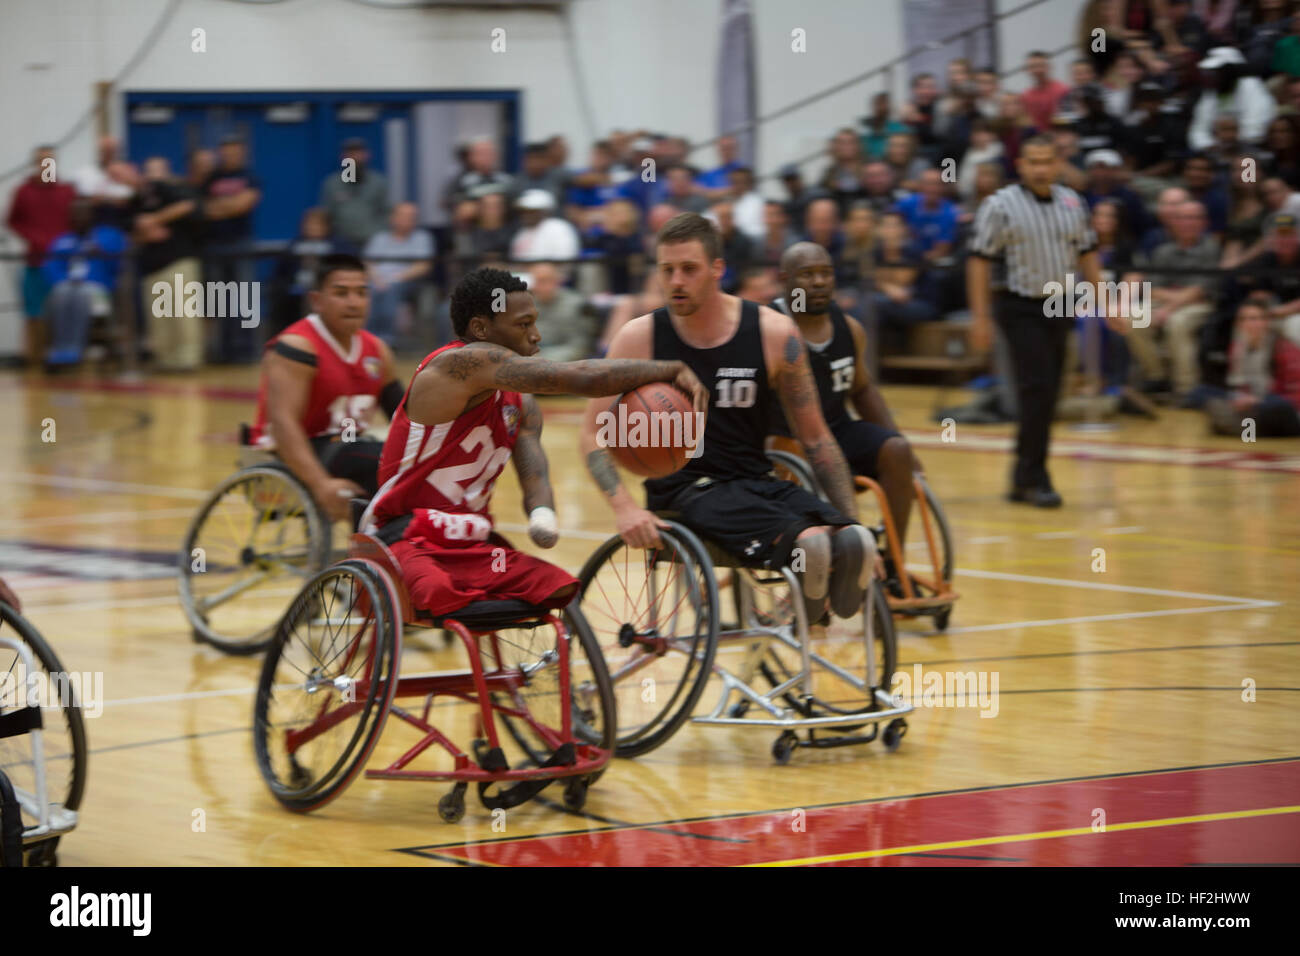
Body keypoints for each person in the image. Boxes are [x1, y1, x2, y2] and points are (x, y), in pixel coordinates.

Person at [581, 212, 880, 626]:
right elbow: (592, 435)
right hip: (684, 492)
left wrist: (849, 516)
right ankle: (801, 621)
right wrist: (625, 507)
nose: (676, 281)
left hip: (755, 481)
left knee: (855, 540)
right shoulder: (639, 337)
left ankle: (808, 614)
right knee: (812, 544)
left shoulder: (775, 334)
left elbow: (817, 439)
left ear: (717, 269)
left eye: (689, 269)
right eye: (666, 270)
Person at [359, 266, 707, 618]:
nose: (537, 336)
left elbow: (534, 473)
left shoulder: (521, 405)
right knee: (437, 592)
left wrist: (543, 515)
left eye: (535, 322)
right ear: (481, 329)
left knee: (558, 588)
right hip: (404, 538)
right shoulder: (456, 364)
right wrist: (670, 369)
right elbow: (580, 377)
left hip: (472, 547)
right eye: (524, 325)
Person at [967, 135, 1123, 508]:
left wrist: (1107, 305)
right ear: (1020, 165)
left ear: (1057, 164)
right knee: (1037, 388)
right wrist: (980, 316)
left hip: (1060, 301)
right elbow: (978, 261)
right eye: (1033, 161)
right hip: (1019, 304)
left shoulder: (1074, 203)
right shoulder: (999, 205)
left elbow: (1087, 255)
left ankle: (1023, 477)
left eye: (1047, 161)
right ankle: (1037, 478)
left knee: (1050, 392)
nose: (1040, 168)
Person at [768, 242, 921, 583]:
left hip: (837, 432)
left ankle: (893, 563)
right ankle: (832, 553)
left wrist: (901, 444)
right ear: (785, 280)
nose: (819, 282)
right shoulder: (769, 330)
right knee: (802, 455)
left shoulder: (849, 328)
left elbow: (862, 389)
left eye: (825, 273)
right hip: (787, 445)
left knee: (897, 451)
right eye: (807, 275)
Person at [246, 254, 404, 522]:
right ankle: (385, 545)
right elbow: (284, 424)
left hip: (345, 447)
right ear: (317, 300)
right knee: (379, 461)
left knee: (405, 462)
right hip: (288, 452)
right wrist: (320, 484)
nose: (353, 302)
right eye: (341, 293)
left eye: (361, 293)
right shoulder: (296, 346)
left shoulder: (377, 350)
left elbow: (405, 419)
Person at [6, 145, 76, 369]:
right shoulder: (23, 191)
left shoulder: (67, 191)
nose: (47, 165)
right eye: (42, 161)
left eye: (51, 161)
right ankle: (32, 360)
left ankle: (59, 357)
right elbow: (12, 220)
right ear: (35, 164)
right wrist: (32, 237)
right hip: (35, 261)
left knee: (61, 312)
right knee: (33, 312)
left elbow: (77, 221)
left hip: (62, 263)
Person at [132, 156, 204, 370]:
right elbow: (132, 227)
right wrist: (145, 234)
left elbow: (187, 206)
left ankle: (188, 358)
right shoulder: (141, 199)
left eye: (157, 171)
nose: (153, 176)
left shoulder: (179, 190)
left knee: (183, 312)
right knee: (160, 316)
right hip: (152, 264)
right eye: (149, 171)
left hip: (179, 260)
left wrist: (156, 220)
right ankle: (165, 358)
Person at [41, 198, 126, 369]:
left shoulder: (109, 237)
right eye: (75, 213)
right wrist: (65, 281)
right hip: (67, 285)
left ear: (92, 215)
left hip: (98, 289)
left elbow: (120, 268)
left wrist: (103, 253)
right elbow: (50, 268)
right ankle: (60, 349)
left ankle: (74, 349)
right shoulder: (62, 240)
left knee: (80, 294)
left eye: (83, 212)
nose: (79, 217)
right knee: (62, 292)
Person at [201, 136, 262, 363]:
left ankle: (247, 349)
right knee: (220, 300)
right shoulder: (211, 178)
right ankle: (224, 350)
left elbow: (244, 204)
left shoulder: (250, 178)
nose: (230, 155)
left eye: (235, 150)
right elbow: (204, 209)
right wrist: (230, 205)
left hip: (241, 243)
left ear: (243, 152)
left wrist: (222, 206)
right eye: (226, 150)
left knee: (245, 298)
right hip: (215, 245)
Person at [363, 202, 434, 345]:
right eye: (402, 216)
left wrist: (395, 278)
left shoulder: (422, 238)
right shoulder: (379, 238)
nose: (407, 220)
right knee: (367, 289)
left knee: (391, 289)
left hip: (407, 282)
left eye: (411, 217)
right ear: (392, 218)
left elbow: (423, 266)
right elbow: (367, 262)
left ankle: (386, 339)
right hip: (377, 281)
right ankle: (367, 337)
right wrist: (377, 279)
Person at [319, 138, 389, 249]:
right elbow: (326, 215)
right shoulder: (332, 183)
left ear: (366, 155)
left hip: (372, 240)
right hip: (342, 241)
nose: (354, 157)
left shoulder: (378, 182)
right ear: (343, 157)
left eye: (358, 153)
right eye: (350, 153)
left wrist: (378, 235)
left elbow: (387, 213)